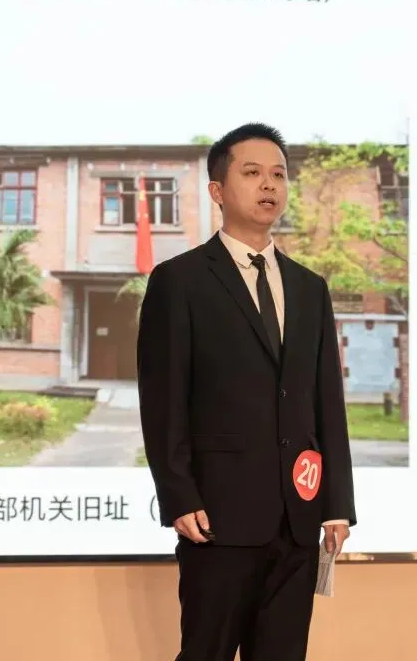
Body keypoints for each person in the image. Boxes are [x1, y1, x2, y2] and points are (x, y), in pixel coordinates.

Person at [137, 123, 357, 660]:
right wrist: (179, 495)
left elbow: (326, 401)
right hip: (217, 517)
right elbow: (163, 400)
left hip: (298, 517)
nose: (269, 185)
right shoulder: (180, 281)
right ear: (217, 190)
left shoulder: (309, 287)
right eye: (253, 172)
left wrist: (337, 505)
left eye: (278, 174)